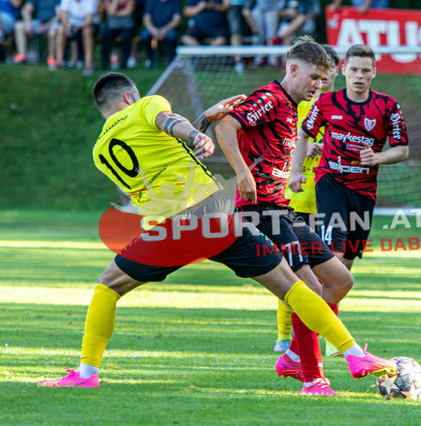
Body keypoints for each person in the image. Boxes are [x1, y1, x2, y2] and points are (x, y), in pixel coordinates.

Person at [36, 71, 398, 391]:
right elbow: (168, 123)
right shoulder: (147, 105)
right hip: (217, 215)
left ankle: (86, 372)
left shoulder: (100, 151)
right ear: (131, 96)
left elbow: (164, 150)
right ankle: (353, 354)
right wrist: (197, 132)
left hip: (176, 229)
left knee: (107, 286)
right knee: (293, 287)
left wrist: (203, 123)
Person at [215, 37, 364, 396]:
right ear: (293, 69)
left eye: (323, 79)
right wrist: (243, 174)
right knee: (308, 289)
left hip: (282, 209)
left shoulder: (292, 106)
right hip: (259, 212)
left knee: (340, 281)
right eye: (313, 77)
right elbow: (225, 127)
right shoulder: (269, 98)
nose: (318, 85)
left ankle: (296, 355)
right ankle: (313, 379)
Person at [288, 44, 409, 272]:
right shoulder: (326, 102)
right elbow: (302, 135)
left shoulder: (388, 106)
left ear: (374, 72)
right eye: (354, 69)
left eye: (365, 70)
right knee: (333, 253)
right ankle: (312, 296)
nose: (359, 76)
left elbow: (402, 150)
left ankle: (326, 296)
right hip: (330, 181)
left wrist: (377, 157)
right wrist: (296, 172)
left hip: (364, 190)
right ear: (344, 70)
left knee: (347, 260)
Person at [274, 44, 339, 355]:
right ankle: (284, 336)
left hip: (328, 199)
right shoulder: (298, 105)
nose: (324, 79)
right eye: (319, 74)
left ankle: (326, 335)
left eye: (329, 73)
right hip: (296, 200)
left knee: (333, 274)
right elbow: (284, 144)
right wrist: (301, 150)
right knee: (294, 271)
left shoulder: (340, 109)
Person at [55, 0, 98, 75]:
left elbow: (89, 20)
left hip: (86, 25)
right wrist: (67, 26)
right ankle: (59, 61)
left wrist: (79, 27)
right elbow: (63, 15)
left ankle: (88, 65)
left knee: (87, 31)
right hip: (71, 25)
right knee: (61, 30)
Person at [13, 0, 60, 65]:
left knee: (53, 32)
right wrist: (28, 24)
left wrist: (47, 25)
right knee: (19, 26)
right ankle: (22, 55)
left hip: (52, 23)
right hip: (39, 22)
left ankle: (51, 58)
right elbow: (25, 10)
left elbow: (59, 15)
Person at [140, 0, 180, 69]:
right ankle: (150, 59)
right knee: (144, 36)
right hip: (153, 28)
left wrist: (165, 29)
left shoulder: (174, 1)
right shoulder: (151, 1)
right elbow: (146, 18)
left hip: (168, 28)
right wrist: (153, 30)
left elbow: (177, 19)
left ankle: (171, 61)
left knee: (172, 36)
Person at [100, 0, 136, 70]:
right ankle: (104, 64)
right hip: (112, 26)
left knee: (126, 36)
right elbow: (110, 12)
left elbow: (128, 12)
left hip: (126, 26)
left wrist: (115, 14)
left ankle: (124, 64)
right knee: (106, 36)